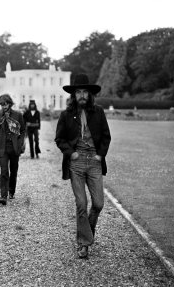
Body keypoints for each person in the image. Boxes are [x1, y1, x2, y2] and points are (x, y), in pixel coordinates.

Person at [55, 73, 111, 258]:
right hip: (76, 163)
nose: (81, 95)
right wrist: (71, 153)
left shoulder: (99, 112)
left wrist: (100, 155)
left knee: (98, 204)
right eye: (78, 92)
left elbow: (105, 136)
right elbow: (60, 139)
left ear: (89, 94)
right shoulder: (66, 115)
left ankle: (86, 233)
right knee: (81, 203)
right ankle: (84, 244)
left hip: (94, 162)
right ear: (73, 95)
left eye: (84, 92)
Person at [0, 94, 26, 205]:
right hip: (2, 148)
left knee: (13, 170)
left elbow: (23, 131)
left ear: (9, 103)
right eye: (2, 104)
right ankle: (3, 195)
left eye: (5, 104)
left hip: (15, 147)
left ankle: (11, 191)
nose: (4, 106)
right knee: (4, 171)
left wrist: (20, 143)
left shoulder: (18, 115)